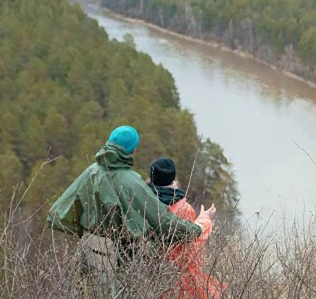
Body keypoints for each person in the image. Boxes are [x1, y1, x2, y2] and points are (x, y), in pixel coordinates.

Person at [46, 125, 205, 296]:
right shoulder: (132, 182)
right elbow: (164, 222)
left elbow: (60, 211)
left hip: (87, 250)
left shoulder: (91, 172)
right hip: (117, 257)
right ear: (133, 150)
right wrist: (197, 229)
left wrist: (84, 233)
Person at [148, 157, 228, 299]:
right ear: (172, 178)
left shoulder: (144, 201)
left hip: (149, 271)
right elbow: (191, 237)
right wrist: (205, 218)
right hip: (177, 274)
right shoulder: (184, 208)